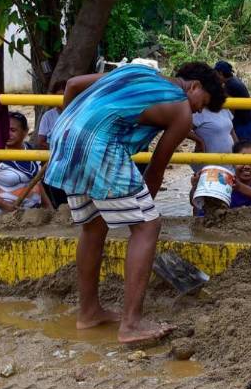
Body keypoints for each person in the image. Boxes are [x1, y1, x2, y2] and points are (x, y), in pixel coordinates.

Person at [44, 62, 226, 345]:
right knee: (147, 227)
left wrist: (76, 127)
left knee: (94, 226)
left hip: (66, 134)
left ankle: (89, 312)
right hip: (100, 146)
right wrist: (143, 215)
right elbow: (156, 169)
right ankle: (131, 324)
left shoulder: (138, 72)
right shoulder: (181, 109)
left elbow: (73, 84)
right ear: (195, 86)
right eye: (202, 104)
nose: (198, 112)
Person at [0, 112, 52, 213]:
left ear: (25, 131)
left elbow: (36, 182)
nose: (7, 134)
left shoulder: (32, 152)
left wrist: (48, 207)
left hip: (34, 214)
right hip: (5, 216)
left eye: (13, 130)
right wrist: (5, 205)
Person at [35, 79, 69, 208]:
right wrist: (59, 149)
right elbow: (41, 141)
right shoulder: (48, 116)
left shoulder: (77, 114)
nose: (62, 99)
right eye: (59, 95)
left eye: (65, 95)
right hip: (54, 158)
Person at [214, 60, 251, 142]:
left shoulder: (230, 86)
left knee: (242, 148)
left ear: (220, 73)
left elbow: (231, 109)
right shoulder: (233, 80)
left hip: (244, 125)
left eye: (215, 74)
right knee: (248, 146)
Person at [188, 106, 236, 173]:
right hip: (208, 165)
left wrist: (238, 149)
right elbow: (182, 129)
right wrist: (199, 140)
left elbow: (231, 131)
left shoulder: (225, 109)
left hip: (229, 162)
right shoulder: (199, 112)